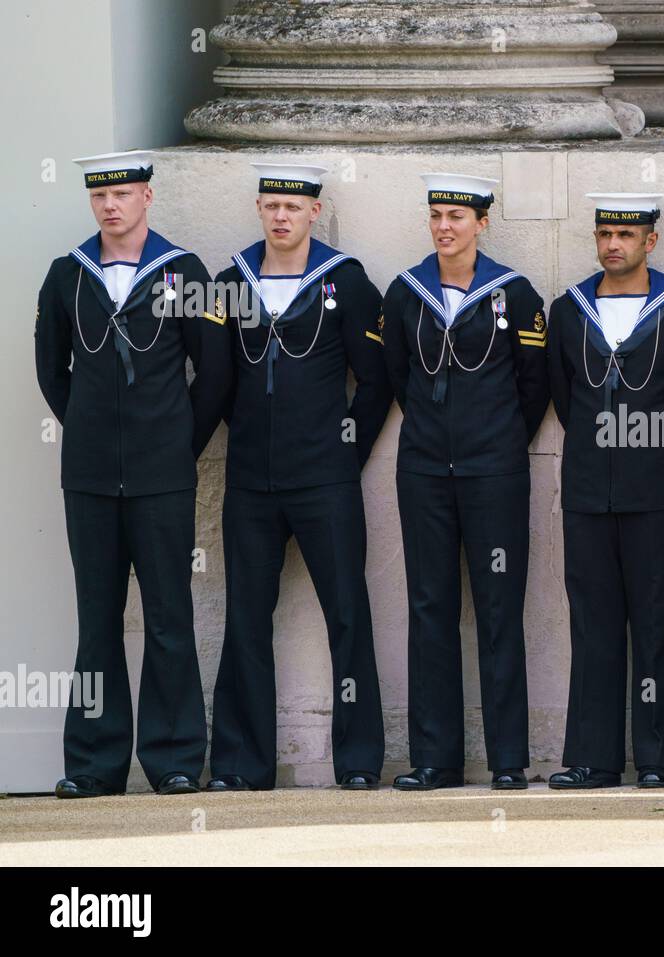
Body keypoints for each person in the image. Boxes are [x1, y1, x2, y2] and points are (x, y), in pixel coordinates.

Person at [35, 150, 229, 797]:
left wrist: (176, 444)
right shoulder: (68, 275)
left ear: (148, 195)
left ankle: (174, 759)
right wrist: (88, 431)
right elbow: (50, 370)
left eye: (121, 193)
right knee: (97, 621)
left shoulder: (187, 272)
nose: (110, 205)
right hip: (89, 481)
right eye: (100, 196)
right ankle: (93, 765)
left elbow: (217, 374)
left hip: (162, 479)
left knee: (170, 616)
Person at [207, 163, 392, 792]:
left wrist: (346, 451)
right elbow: (217, 382)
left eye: (293, 205)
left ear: (315, 211)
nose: (281, 216)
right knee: (246, 618)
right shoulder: (231, 283)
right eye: (271, 205)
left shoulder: (346, 281)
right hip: (251, 483)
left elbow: (376, 380)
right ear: (258, 209)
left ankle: (360, 760)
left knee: (347, 613)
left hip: (325, 481)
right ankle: (241, 764)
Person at [383, 173, 550, 791]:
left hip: (495, 473)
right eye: (437, 215)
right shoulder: (406, 292)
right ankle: (435, 758)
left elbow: (534, 386)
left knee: (500, 609)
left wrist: (497, 438)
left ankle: (508, 759)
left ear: (483, 222)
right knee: (430, 608)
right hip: (424, 470)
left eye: (457, 215)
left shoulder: (517, 294)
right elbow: (397, 375)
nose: (445, 226)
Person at [546, 193, 664, 789]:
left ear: (651, 240)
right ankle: (593, 757)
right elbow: (565, 398)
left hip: (657, 490)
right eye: (604, 233)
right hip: (589, 490)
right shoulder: (568, 309)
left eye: (625, 233)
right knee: (592, 623)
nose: (612, 243)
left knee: (653, 617)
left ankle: (655, 755)